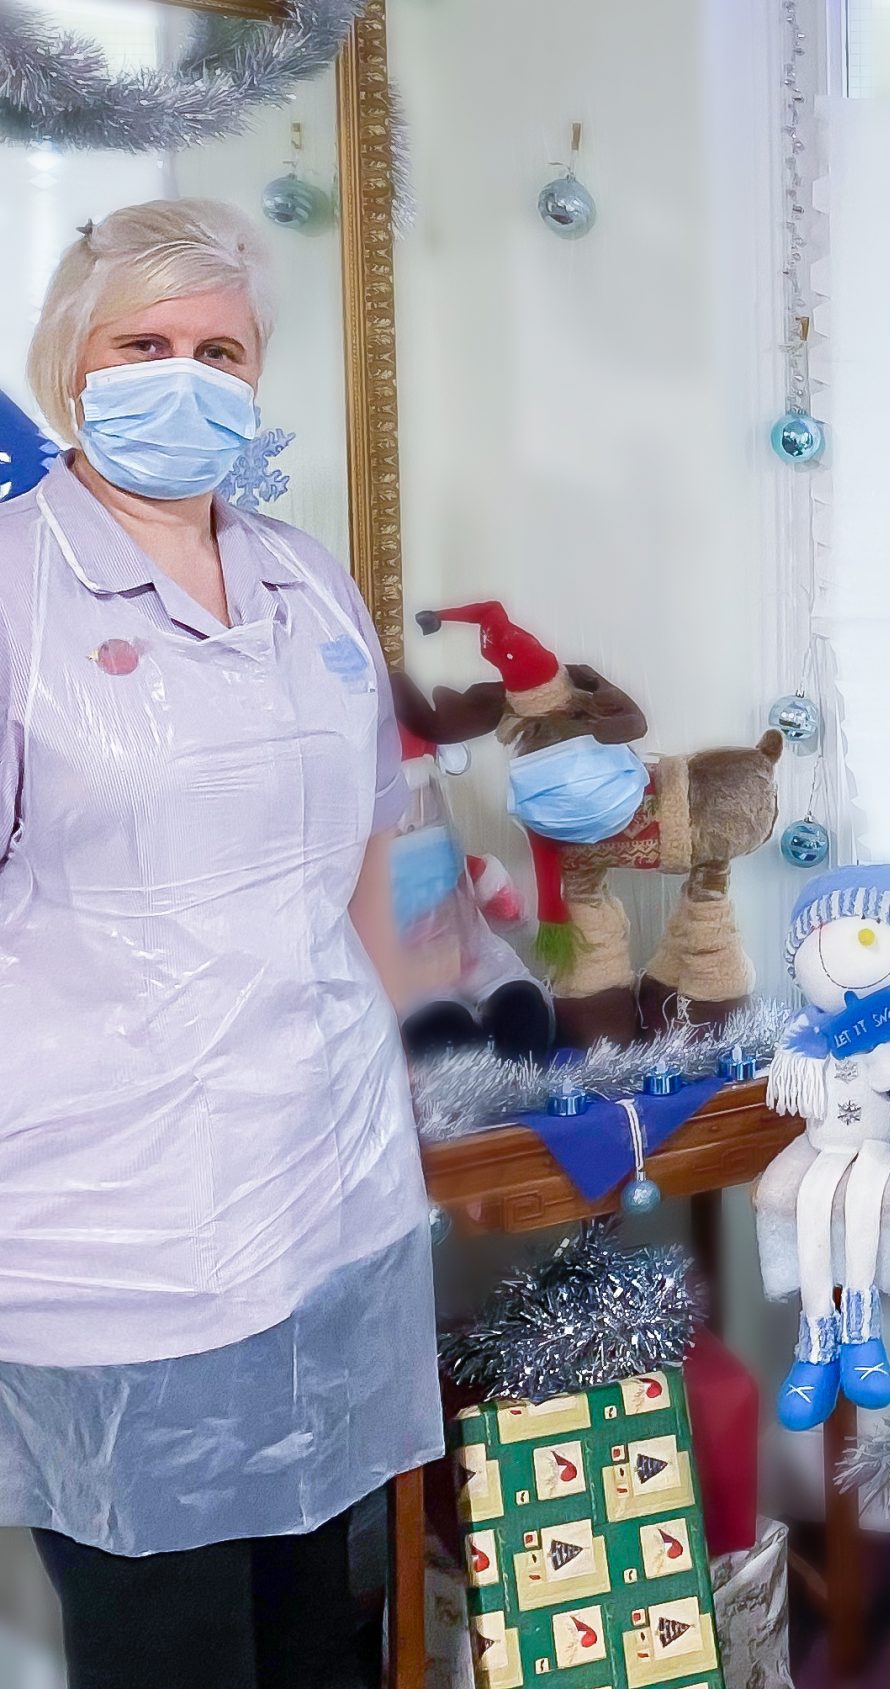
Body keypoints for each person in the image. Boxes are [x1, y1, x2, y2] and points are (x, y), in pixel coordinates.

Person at [0, 201, 438, 1688]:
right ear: (72, 365)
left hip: (332, 1210)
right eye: (145, 344)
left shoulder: (307, 580)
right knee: (169, 1651)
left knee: (331, 1632)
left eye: (218, 351)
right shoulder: (14, 591)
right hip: (113, 1237)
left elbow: (373, 859)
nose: (182, 376)